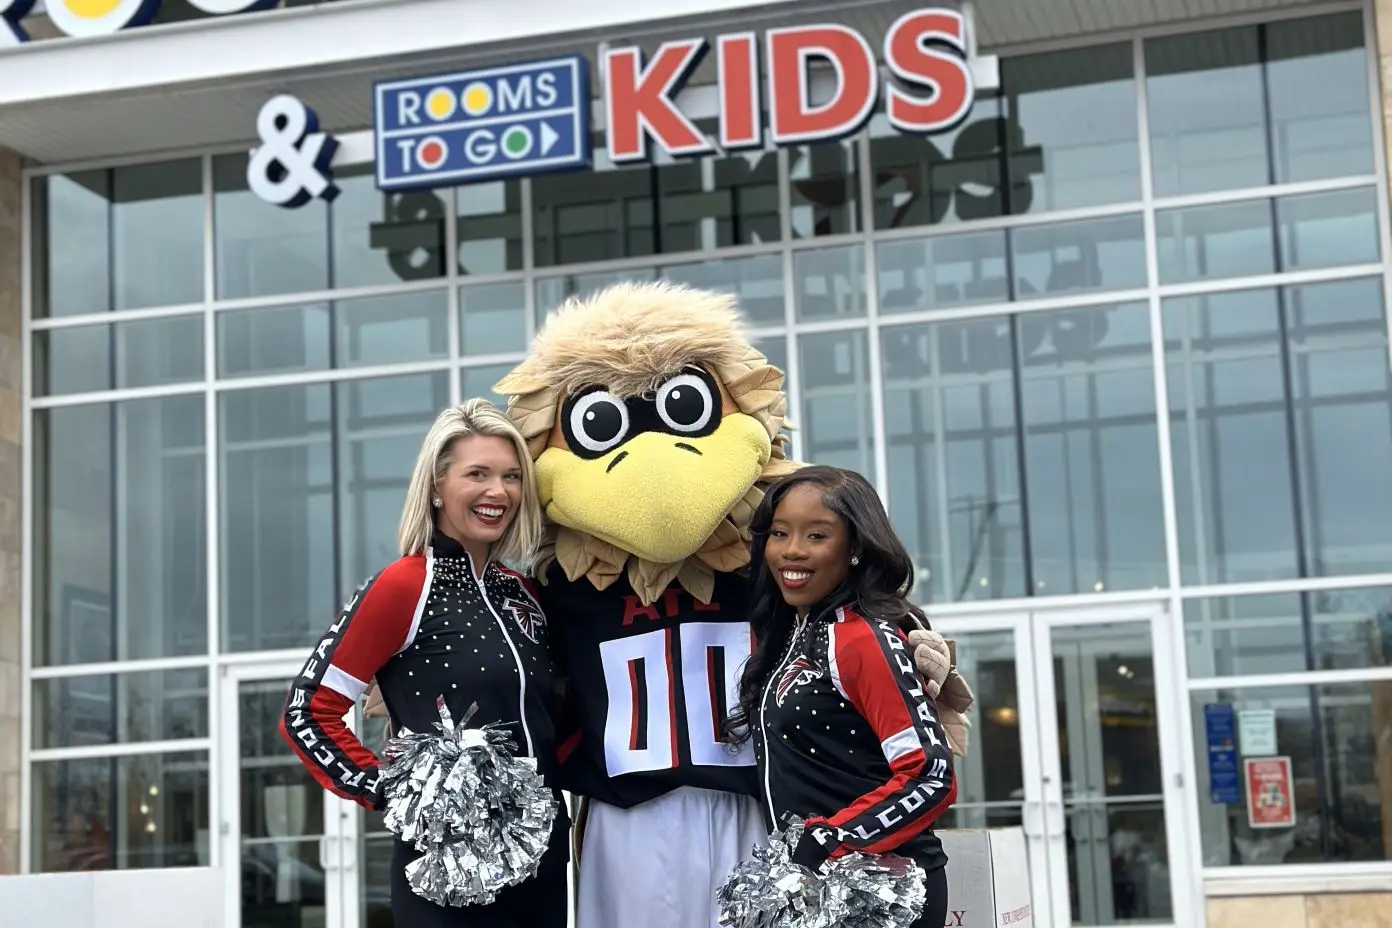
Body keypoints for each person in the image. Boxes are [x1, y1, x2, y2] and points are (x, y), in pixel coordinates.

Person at [278, 398, 569, 928]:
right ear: (436, 486)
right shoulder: (405, 585)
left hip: (544, 863)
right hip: (445, 868)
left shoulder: (523, 592)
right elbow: (308, 712)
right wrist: (393, 790)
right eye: (476, 474)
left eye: (510, 476)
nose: (496, 492)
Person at [726, 465, 957, 928]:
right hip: (821, 888)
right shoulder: (793, 633)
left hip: (886, 894)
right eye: (779, 533)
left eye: (816, 535)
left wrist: (831, 839)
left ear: (855, 548)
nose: (792, 550)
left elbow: (929, 776)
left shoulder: (860, 639)